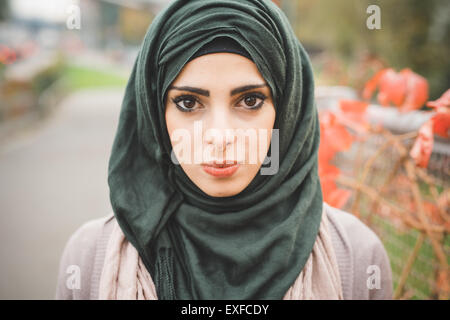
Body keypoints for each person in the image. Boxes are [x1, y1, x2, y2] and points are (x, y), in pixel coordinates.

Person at [55, 0, 392, 300]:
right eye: (188, 103)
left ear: (287, 112)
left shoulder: (356, 258)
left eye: (250, 100)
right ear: (156, 116)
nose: (219, 136)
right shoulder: (90, 259)